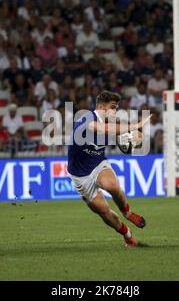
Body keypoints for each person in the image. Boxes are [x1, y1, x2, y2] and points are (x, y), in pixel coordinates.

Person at [67, 91, 150, 247]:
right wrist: (135, 125)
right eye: (112, 107)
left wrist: (136, 137)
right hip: (80, 176)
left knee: (111, 185)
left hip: (98, 163)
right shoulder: (86, 117)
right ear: (100, 107)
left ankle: (128, 212)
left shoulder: (112, 124)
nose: (115, 111)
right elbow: (102, 130)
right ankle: (127, 234)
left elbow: (136, 136)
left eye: (116, 108)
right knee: (104, 212)